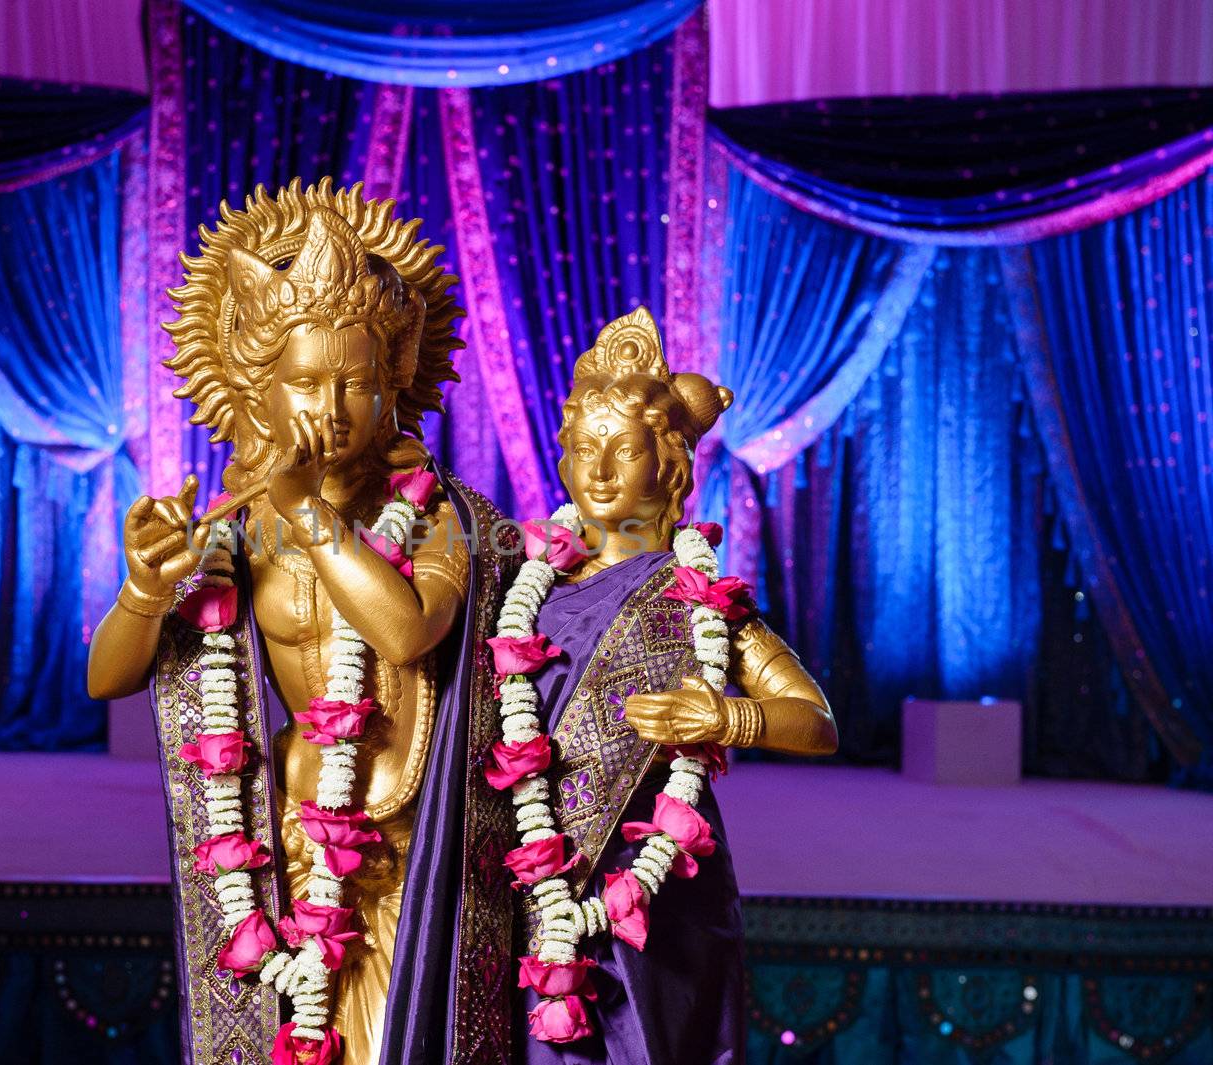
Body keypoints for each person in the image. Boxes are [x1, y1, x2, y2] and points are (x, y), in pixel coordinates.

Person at [88, 179, 518, 1065]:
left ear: (396, 384)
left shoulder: (440, 519)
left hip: (418, 842)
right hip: (292, 844)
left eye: (357, 383)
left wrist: (317, 520)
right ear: (259, 391)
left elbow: (405, 632)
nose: (331, 409)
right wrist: (140, 587)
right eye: (306, 382)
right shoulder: (239, 536)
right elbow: (109, 677)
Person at [488, 308, 838, 1063]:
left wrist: (723, 714)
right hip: (526, 882)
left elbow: (815, 719)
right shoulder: (523, 587)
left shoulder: (700, 603)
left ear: (669, 461)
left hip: (655, 897)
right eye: (582, 449)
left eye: (622, 450)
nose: (598, 471)